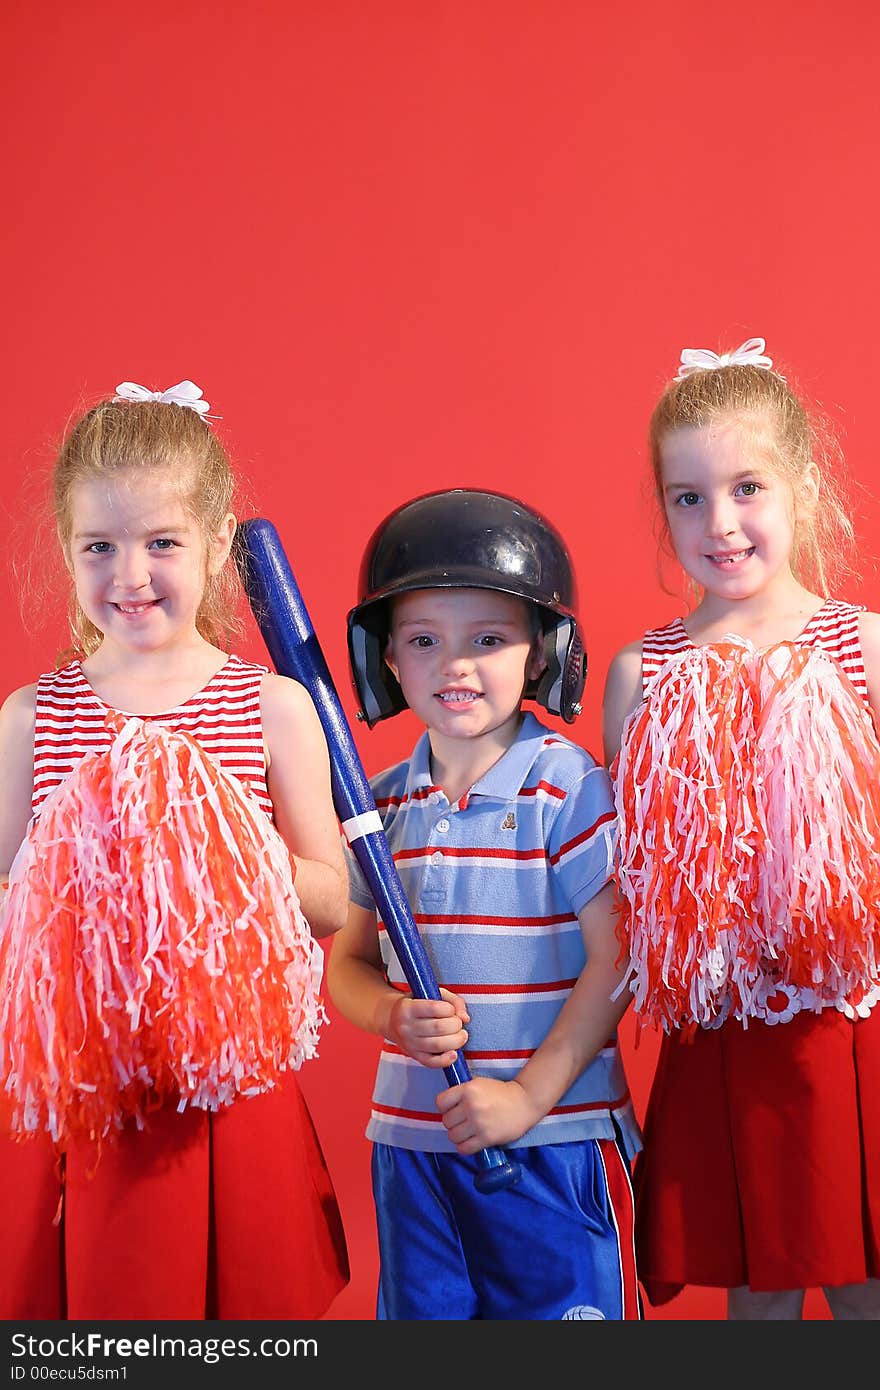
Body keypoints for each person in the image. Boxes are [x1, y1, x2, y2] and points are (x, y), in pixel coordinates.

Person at [0, 378, 349, 1319]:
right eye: (99, 547)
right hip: (87, 1097)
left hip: (231, 1083)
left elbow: (330, 899)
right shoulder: (33, 719)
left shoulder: (269, 708)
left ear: (219, 543)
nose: (132, 573)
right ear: (66, 553)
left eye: (162, 542)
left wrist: (211, 842)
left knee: (242, 1319)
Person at [602, 336, 880, 1321]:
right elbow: (628, 873)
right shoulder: (644, 672)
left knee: (863, 1286)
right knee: (756, 1293)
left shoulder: (864, 646)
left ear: (802, 483)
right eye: (687, 496)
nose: (718, 522)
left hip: (852, 1024)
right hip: (725, 1030)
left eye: (746, 486)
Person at [327, 488, 642, 1321]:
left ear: (541, 653)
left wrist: (528, 1096)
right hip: (415, 1148)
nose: (455, 666)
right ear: (387, 659)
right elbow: (347, 969)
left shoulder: (567, 788)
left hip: (554, 1140)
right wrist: (392, 1016)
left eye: (488, 640)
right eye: (424, 641)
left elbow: (621, 960)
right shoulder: (380, 806)